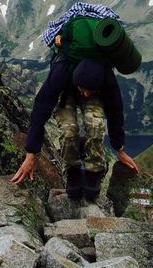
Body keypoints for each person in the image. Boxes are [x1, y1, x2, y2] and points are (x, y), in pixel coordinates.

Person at [9, 49, 138, 201]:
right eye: (83, 91)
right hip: (66, 93)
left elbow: (115, 112)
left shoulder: (106, 77)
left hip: (95, 91)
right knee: (68, 130)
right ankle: (72, 171)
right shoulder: (61, 71)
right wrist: (31, 153)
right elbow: (40, 109)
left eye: (89, 92)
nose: (85, 95)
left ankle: (94, 171)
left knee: (95, 125)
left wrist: (119, 149)